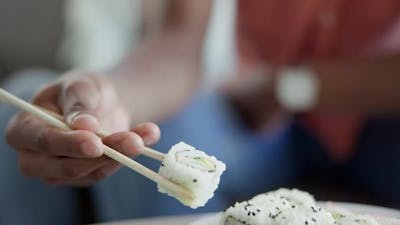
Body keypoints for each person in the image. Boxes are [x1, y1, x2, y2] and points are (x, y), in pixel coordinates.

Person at [2, 0, 400, 224]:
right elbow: (178, 44)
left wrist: (290, 87)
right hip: (251, 116)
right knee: (26, 97)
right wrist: (112, 96)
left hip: (380, 118)